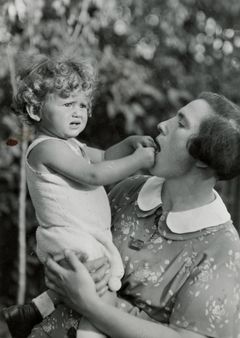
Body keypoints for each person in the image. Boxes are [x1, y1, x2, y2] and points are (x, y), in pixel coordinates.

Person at [25, 91, 240, 338]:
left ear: (203, 158)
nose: (163, 124)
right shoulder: (131, 190)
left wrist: (90, 305)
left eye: (180, 124)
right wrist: (61, 273)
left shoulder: (222, 246)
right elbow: (73, 237)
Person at [2, 53, 156, 338]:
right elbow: (94, 175)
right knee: (103, 295)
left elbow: (106, 156)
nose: (78, 112)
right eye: (68, 103)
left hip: (80, 237)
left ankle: (32, 311)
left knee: (91, 286)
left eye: (83, 105)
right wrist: (139, 161)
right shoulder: (45, 148)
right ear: (36, 110)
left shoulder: (72, 146)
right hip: (70, 238)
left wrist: (128, 144)